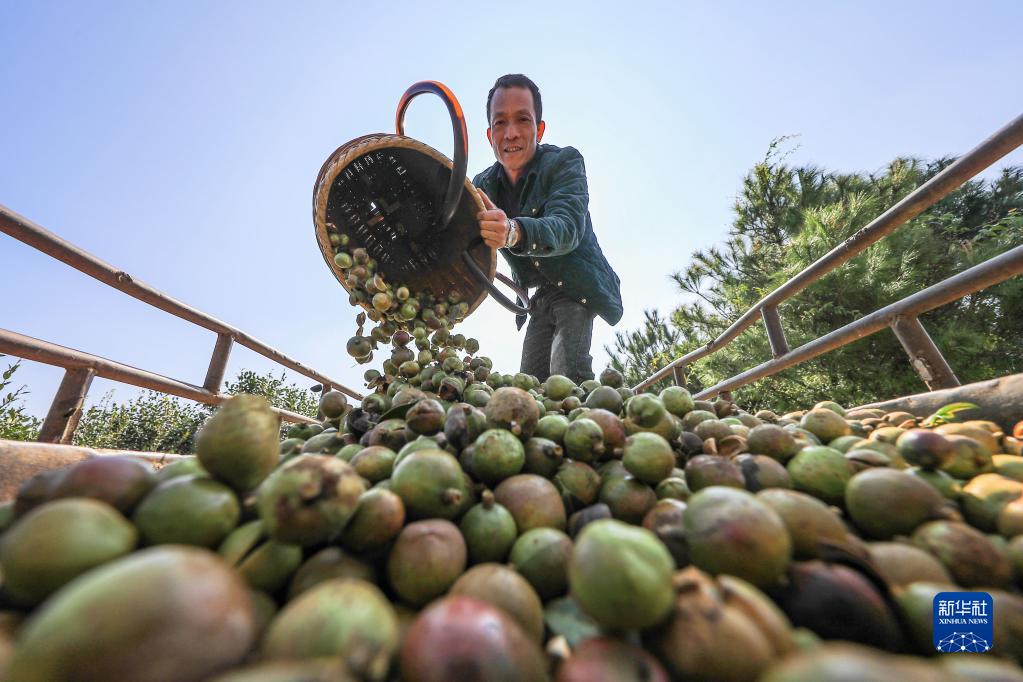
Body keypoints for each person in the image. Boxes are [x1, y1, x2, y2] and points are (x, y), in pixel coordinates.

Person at [472, 74, 623, 384]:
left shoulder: (564, 163)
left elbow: (566, 227)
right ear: (490, 135)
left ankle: (590, 425)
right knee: (529, 384)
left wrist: (514, 231)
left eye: (522, 120)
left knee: (567, 376)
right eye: (500, 123)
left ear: (538, 129)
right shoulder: (482, 187)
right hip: (539, 297)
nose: (510, 133)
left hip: (576, 286)